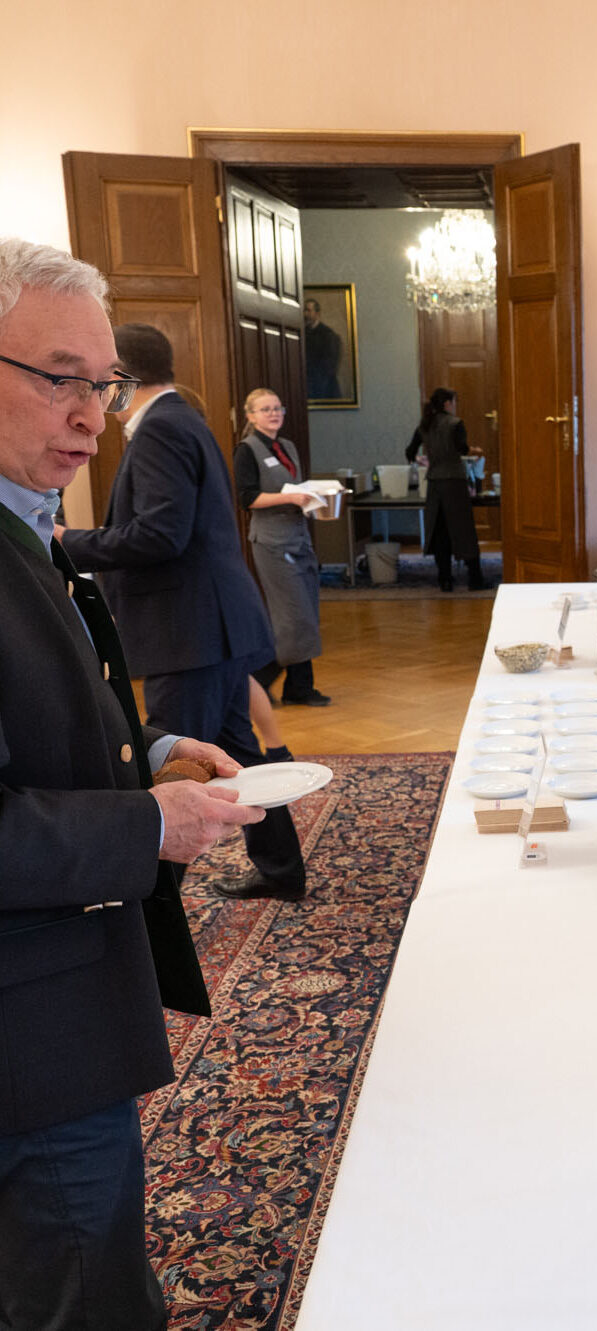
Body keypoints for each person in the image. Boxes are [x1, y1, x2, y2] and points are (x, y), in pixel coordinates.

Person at [0, 238, 265, 1330]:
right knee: (85, 1290)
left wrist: (148, 750)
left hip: (57, 1006)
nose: (92, 413)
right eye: (60, 377)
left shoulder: (28, 519)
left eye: (102, 385)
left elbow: (39, 713)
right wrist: (146, 822)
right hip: (28, 1037)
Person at [59, 326, 308, 903]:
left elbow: (160, 535)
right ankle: (280, 870)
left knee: (170, 770)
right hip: (208, 625)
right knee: (237, 755)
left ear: (121, 375)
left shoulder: (161, 429)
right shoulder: (181, 419)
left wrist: (70, 541)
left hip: (190, 631)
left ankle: (150, 911)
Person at [235, 387, 331, 706]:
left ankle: (294, 686)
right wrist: (289, 497)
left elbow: (298, 488)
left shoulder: (286, 446)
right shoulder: (247, 449)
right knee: (294, 615)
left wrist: (318, 497)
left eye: (278, 408)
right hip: (272, 542)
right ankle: (257, 684)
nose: (274, 413)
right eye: (265, 409)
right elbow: (247, 498)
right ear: (250, 415)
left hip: (298, 536)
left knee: (305, 611)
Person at [405, 386, 486, 591]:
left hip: (434, 484)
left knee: (440, 531)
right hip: (455, 483)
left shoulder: (425, 425)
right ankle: (475, 579)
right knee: (463, 531)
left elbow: (410, 452)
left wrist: (422, 460)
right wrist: (473, 450)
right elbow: (461, 448)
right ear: (448, 403)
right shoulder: (455, 424)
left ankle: (445, 579)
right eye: (454, 402)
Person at [303, 297, 342, 399]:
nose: (305, 314)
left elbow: (330, 366)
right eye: (304, 310)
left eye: (308, 310)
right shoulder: (302, 333)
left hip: (324, 387)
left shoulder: (328, 335)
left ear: (317, 313)